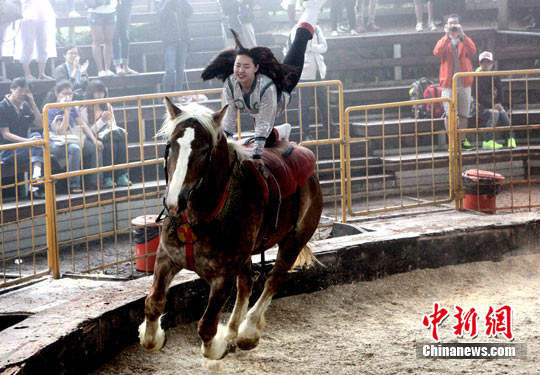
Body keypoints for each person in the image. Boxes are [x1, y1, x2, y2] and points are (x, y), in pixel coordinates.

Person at [202, 0, 326, 162]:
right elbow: (229, 120)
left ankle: (312, 7)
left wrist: (257, 156)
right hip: (257, 107)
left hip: (282, 89)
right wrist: (221, 144)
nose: (240, 70)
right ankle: (283, 130)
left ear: (256, 68)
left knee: (300, 38)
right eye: (237, 66)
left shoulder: (267, 87)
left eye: (246, 66)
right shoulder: (231, 86)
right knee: (266, 139)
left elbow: (263, 124)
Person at [45, 80, 102, 193]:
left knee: (95, 147)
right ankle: (74, 184)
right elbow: (61, 131)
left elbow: (82, 124)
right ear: (57, 94)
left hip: (71, 138)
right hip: (55, 142)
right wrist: (66, 110)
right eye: (65, 93)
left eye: (70, 94)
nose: (68, 96)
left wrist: (94, 139)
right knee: (74, 149)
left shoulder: (73, 107)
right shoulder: (50, 109)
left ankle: (95, 182)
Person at [433, 14, 477, 151]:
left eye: (455, 23)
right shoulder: (443, 40)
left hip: (464, 83)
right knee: (449, 114)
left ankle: (463, 141)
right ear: (446, 26)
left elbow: (473, 51)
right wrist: (447, 36)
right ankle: (452, 141)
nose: (453, 26)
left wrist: (462, 35)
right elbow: (437, 52)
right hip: (448, 83)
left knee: (464, 113)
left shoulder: (464, 40)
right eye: (450, 23)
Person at [81, 80, 131, 187]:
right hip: (94, 137)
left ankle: (121, 175)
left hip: (108, 134)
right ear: (91, 93)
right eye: (97, 92)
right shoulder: (85, 110)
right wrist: (101, 121)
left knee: (121, 143)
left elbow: (113, 124)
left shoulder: (107, 106)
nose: (100, 95)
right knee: (109, 146)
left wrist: (109, 123)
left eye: (101, 92)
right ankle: (107, 177)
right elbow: (89, 131)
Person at [0, 77, 44, 198]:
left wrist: (33, 104)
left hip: (25, 148)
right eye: (20, 90)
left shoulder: (25, 106)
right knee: (37, 145)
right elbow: (6, 134)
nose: (23, 94)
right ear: (12, 89)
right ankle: (35, 181)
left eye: (26, 91)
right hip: (7, 150)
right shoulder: (2, 107)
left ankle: (35, 178)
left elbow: (40, 125)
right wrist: (28, 142)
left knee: (37, 137)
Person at [287, 23, 330, 141]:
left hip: (318, 71)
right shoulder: (295, 29)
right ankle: (306, 133)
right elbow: (299, 48)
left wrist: (312, 48)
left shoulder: (316, 27)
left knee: (324, 102)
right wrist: (314, 48)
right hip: (303, 74)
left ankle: (330, 129)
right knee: (304, 106)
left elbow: (324, 47)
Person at [472, 51, 515, 150]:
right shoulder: (476, 76)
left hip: (493, 105)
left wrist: (499, 103)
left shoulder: (495, 75)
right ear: (480, 64)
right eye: (483, 62)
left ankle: (510, 138)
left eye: (488, 62)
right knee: (494, 113)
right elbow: (477, 96)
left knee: (503, 112)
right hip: (479, 107)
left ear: (492, 64)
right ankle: (487, 141)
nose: (486, 65)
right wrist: (492, 105)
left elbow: (500, 92)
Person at [157, 0, 193, 93]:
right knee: (170, 69)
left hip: (183, 40)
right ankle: (166, 96)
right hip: (169, 41)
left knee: (180, 69)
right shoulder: (162, 3)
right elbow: (161, 17)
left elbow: (190, 12)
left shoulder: (182, 3)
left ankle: (178, 95)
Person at [15, 0, 57, 80]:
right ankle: (27, 73)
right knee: (27, 45)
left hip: (44, 13)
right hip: (27, 15)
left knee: (43, 44)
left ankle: (42, 73)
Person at [88, 0, 117, 77]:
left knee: (109, 40)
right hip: (95, 11)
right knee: (97, 40)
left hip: (111, 10)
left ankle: (108, 68)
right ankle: (100, 69)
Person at [113, 0, 138, 76]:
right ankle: (117, 66)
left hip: (126, 4)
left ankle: (125, 66)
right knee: (115, 36)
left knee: (125, 36)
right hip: (113, 6)